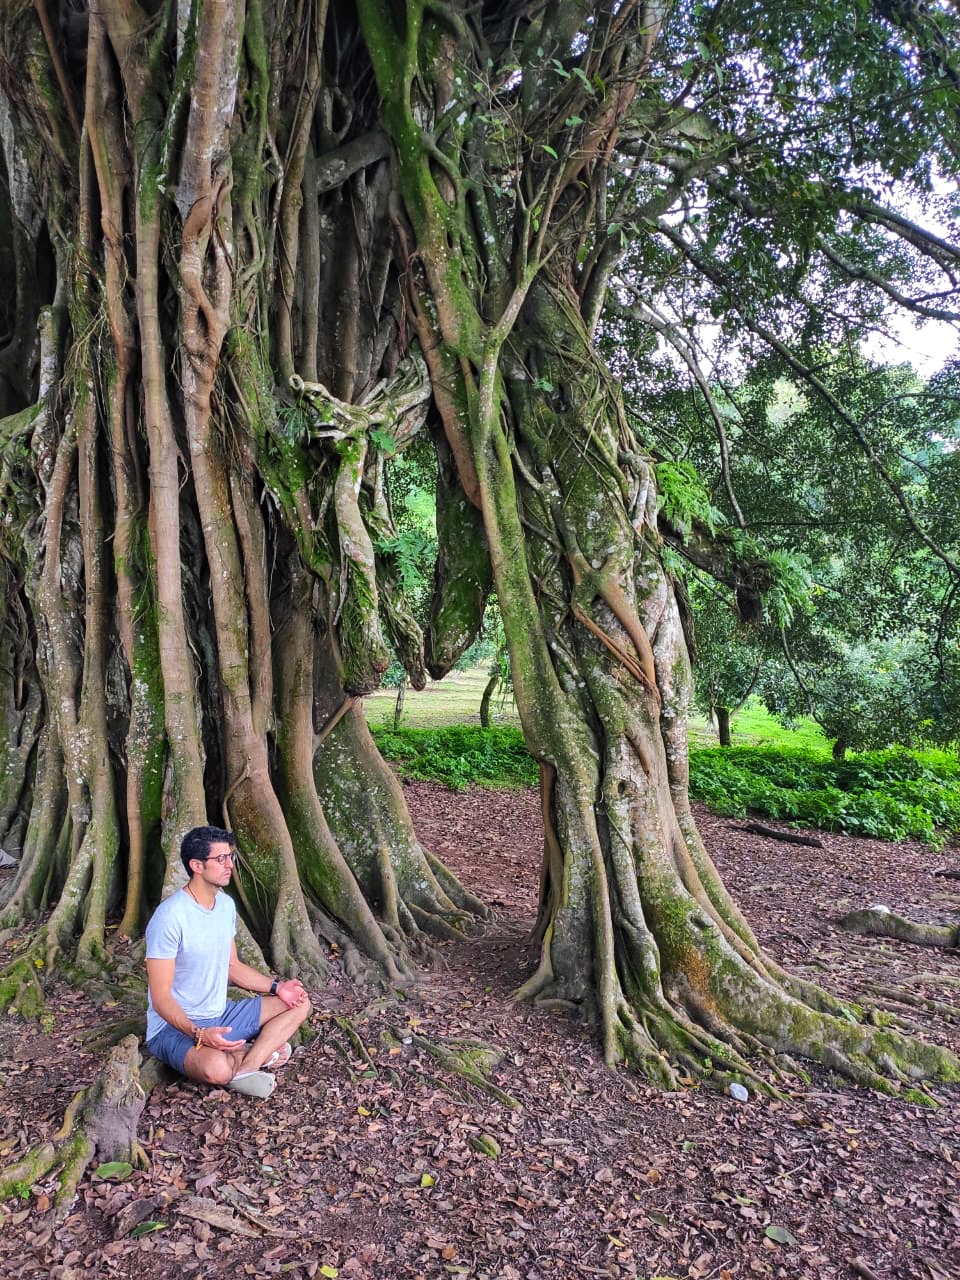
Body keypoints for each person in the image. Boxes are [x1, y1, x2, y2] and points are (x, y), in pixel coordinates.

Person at [145, 825, 312, 1099]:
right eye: (220, 858)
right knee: (216, 1069)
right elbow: (160, 997)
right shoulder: (170, 918)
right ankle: (255, 1052)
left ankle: (248, 1066)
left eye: (230, 857)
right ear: (197, 865)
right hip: (174, 1027)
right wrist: (199, 1034)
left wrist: (278, 988)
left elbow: (232, 967)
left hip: (220, 1014)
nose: (229, 865)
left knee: (299, 1003)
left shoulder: (225, 906)